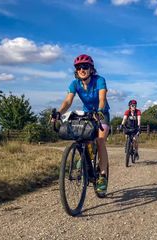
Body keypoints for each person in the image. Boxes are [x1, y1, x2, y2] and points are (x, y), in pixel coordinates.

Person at [52, 54, 110, 196]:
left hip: (101, 114)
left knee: (100, 140)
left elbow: (102, 98)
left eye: (85, 67)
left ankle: (102, 175)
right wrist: (58, 113)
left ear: (91, 69)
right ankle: (84, 159)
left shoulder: (99, 80)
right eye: (79, 67)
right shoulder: (75, 84)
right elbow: (68, 101)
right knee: (82, 138)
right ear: (76, 70)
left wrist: (100, 111)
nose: (82, 69)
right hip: (86, 114)